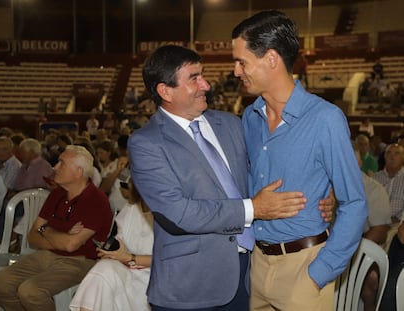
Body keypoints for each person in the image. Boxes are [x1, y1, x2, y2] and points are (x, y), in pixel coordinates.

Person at [128, 45, 333, 311]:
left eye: (203, 75)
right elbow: (178, 214)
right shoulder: (146, 143)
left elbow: (270, 171)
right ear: (165, 91)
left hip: (249, 277)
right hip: (190, 287)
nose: (206, 85)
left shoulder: (232, 124)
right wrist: (253, 208)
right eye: (194, 78)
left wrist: (324, 195)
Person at [231, 10, 367, 310]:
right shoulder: (250, 119)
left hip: (304, 269)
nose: (236, 71)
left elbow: (356, 203)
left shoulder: (325, 119)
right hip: (258, 265)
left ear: (271, 58)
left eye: (242, 62)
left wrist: (319, 273)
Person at [0, 145, 113, 311]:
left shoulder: (96, 201)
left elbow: (70, 246)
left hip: (80, 262)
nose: (55, 167)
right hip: (46, 255)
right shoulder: (57, 194)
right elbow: (32, 236)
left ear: (78, 172)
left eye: (61, 163)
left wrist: (45, 230)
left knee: (30, 291)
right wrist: (56, 237)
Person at [70, 178, 153, 311]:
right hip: (125, 268)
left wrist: (130, 258)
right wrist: (111, 251)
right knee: (102, 271)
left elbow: (170, 260)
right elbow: (121, 241)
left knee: (103, 274)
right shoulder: (132, 208)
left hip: (152, 276)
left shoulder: (168, 213)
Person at [353, 150, 391, 311]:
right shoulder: (323, 184)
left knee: (371, 277)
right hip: (325, 244)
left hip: (362, 245)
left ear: (360, 163)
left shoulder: (374, 189)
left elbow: (380, 231)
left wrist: (347, 253)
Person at [373, 143, 404, 223]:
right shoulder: (376, 178)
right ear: (384, 156)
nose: (392, 157)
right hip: (376, 222)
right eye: (388, 153)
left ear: (403, 157)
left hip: (399, 224)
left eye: (397, 153)